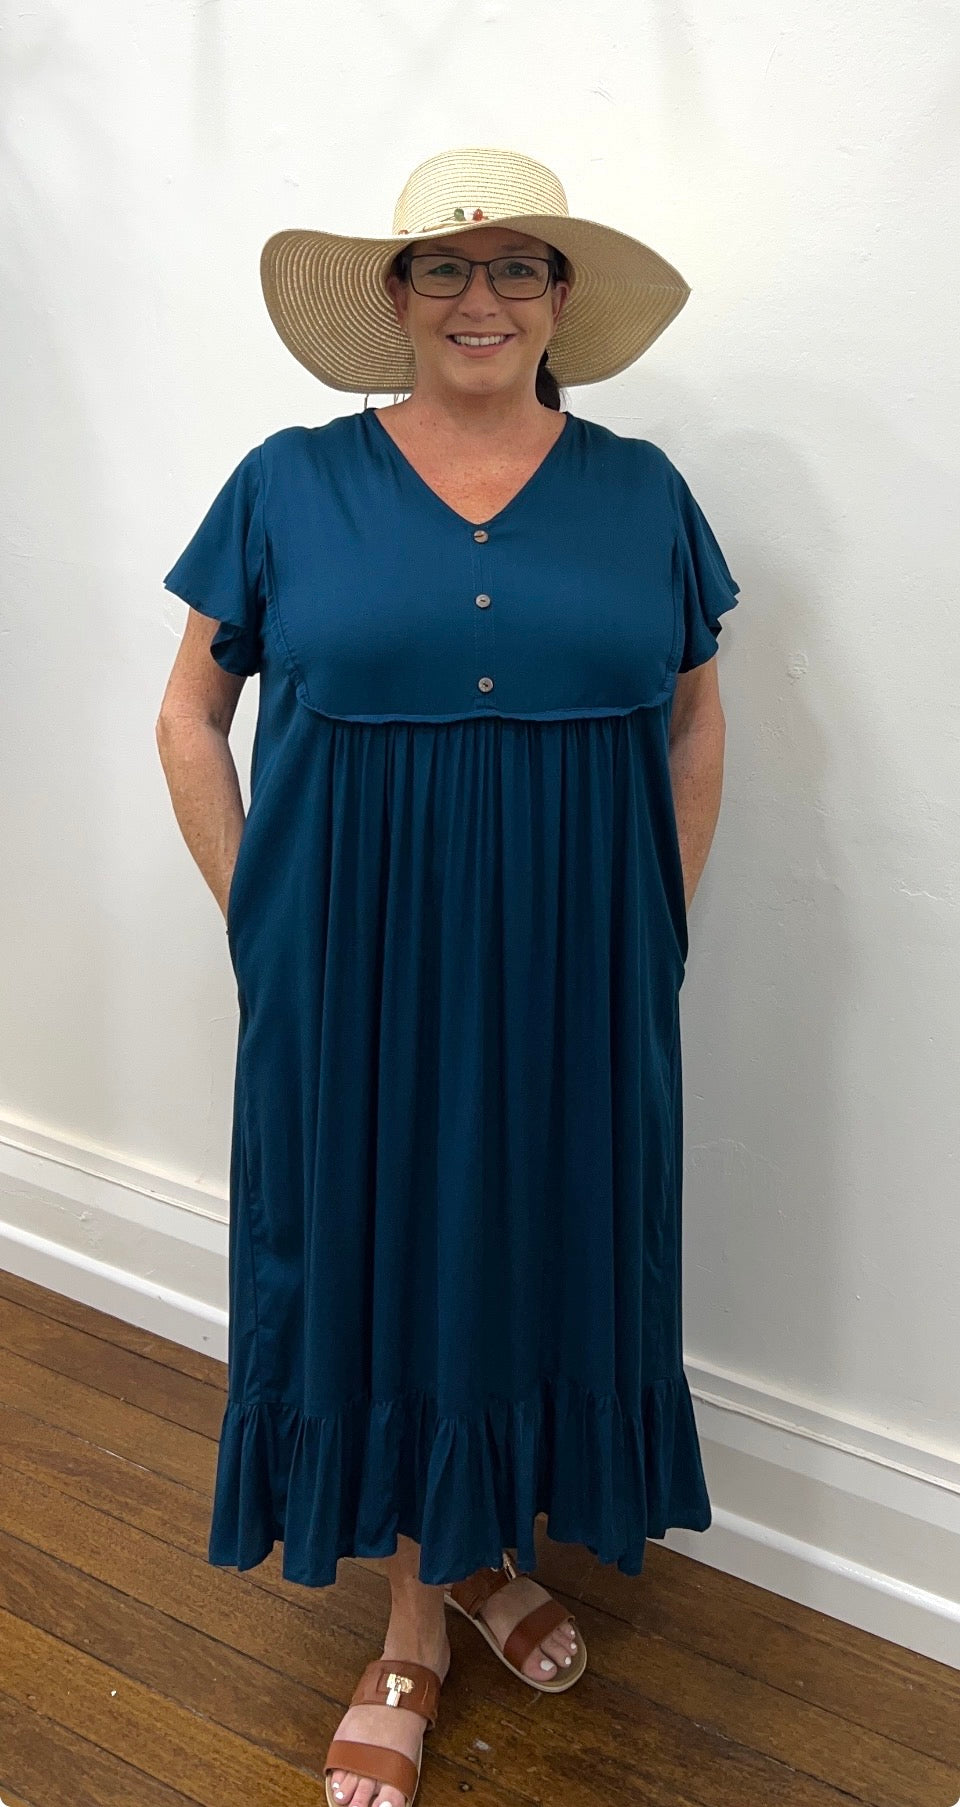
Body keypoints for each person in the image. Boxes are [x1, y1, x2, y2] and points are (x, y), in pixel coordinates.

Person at [156, 144, 741, 1807]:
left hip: (579, 966)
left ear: (559, 301)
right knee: (386, 1251)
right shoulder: (288, 481)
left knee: (540, 1245)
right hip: (348, 971)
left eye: (516, 268)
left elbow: (696, 717)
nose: (481, 298)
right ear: (398, 298)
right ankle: (416, 1622)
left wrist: (656, 925)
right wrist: (260, 920)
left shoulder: (642, 491)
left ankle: (478, 1554)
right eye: (445, 268)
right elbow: (188, 715)